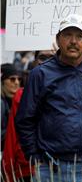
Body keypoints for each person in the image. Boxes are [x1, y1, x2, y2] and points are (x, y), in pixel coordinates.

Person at [15, 14, 82, 182]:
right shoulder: (40, 74)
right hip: (50, 167)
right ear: (58, 39)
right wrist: (34, 156)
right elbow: (25, 119)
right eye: (67, 35)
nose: (73, 41)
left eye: (79, 36)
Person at [2, 50, 54, 182]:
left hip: (60, 166)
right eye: (42, 57)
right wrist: (8, 170)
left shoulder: (68, 93)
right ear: (35, 62)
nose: (47, 62)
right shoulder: (20, 96)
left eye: (52, 57)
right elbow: (12, 136)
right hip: (27, 167)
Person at [1, 63, 22, 152]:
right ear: (2, 81)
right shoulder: (0, 103)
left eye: (19, 79)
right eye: (12, 79)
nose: (17, 82)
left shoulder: (16, 101)